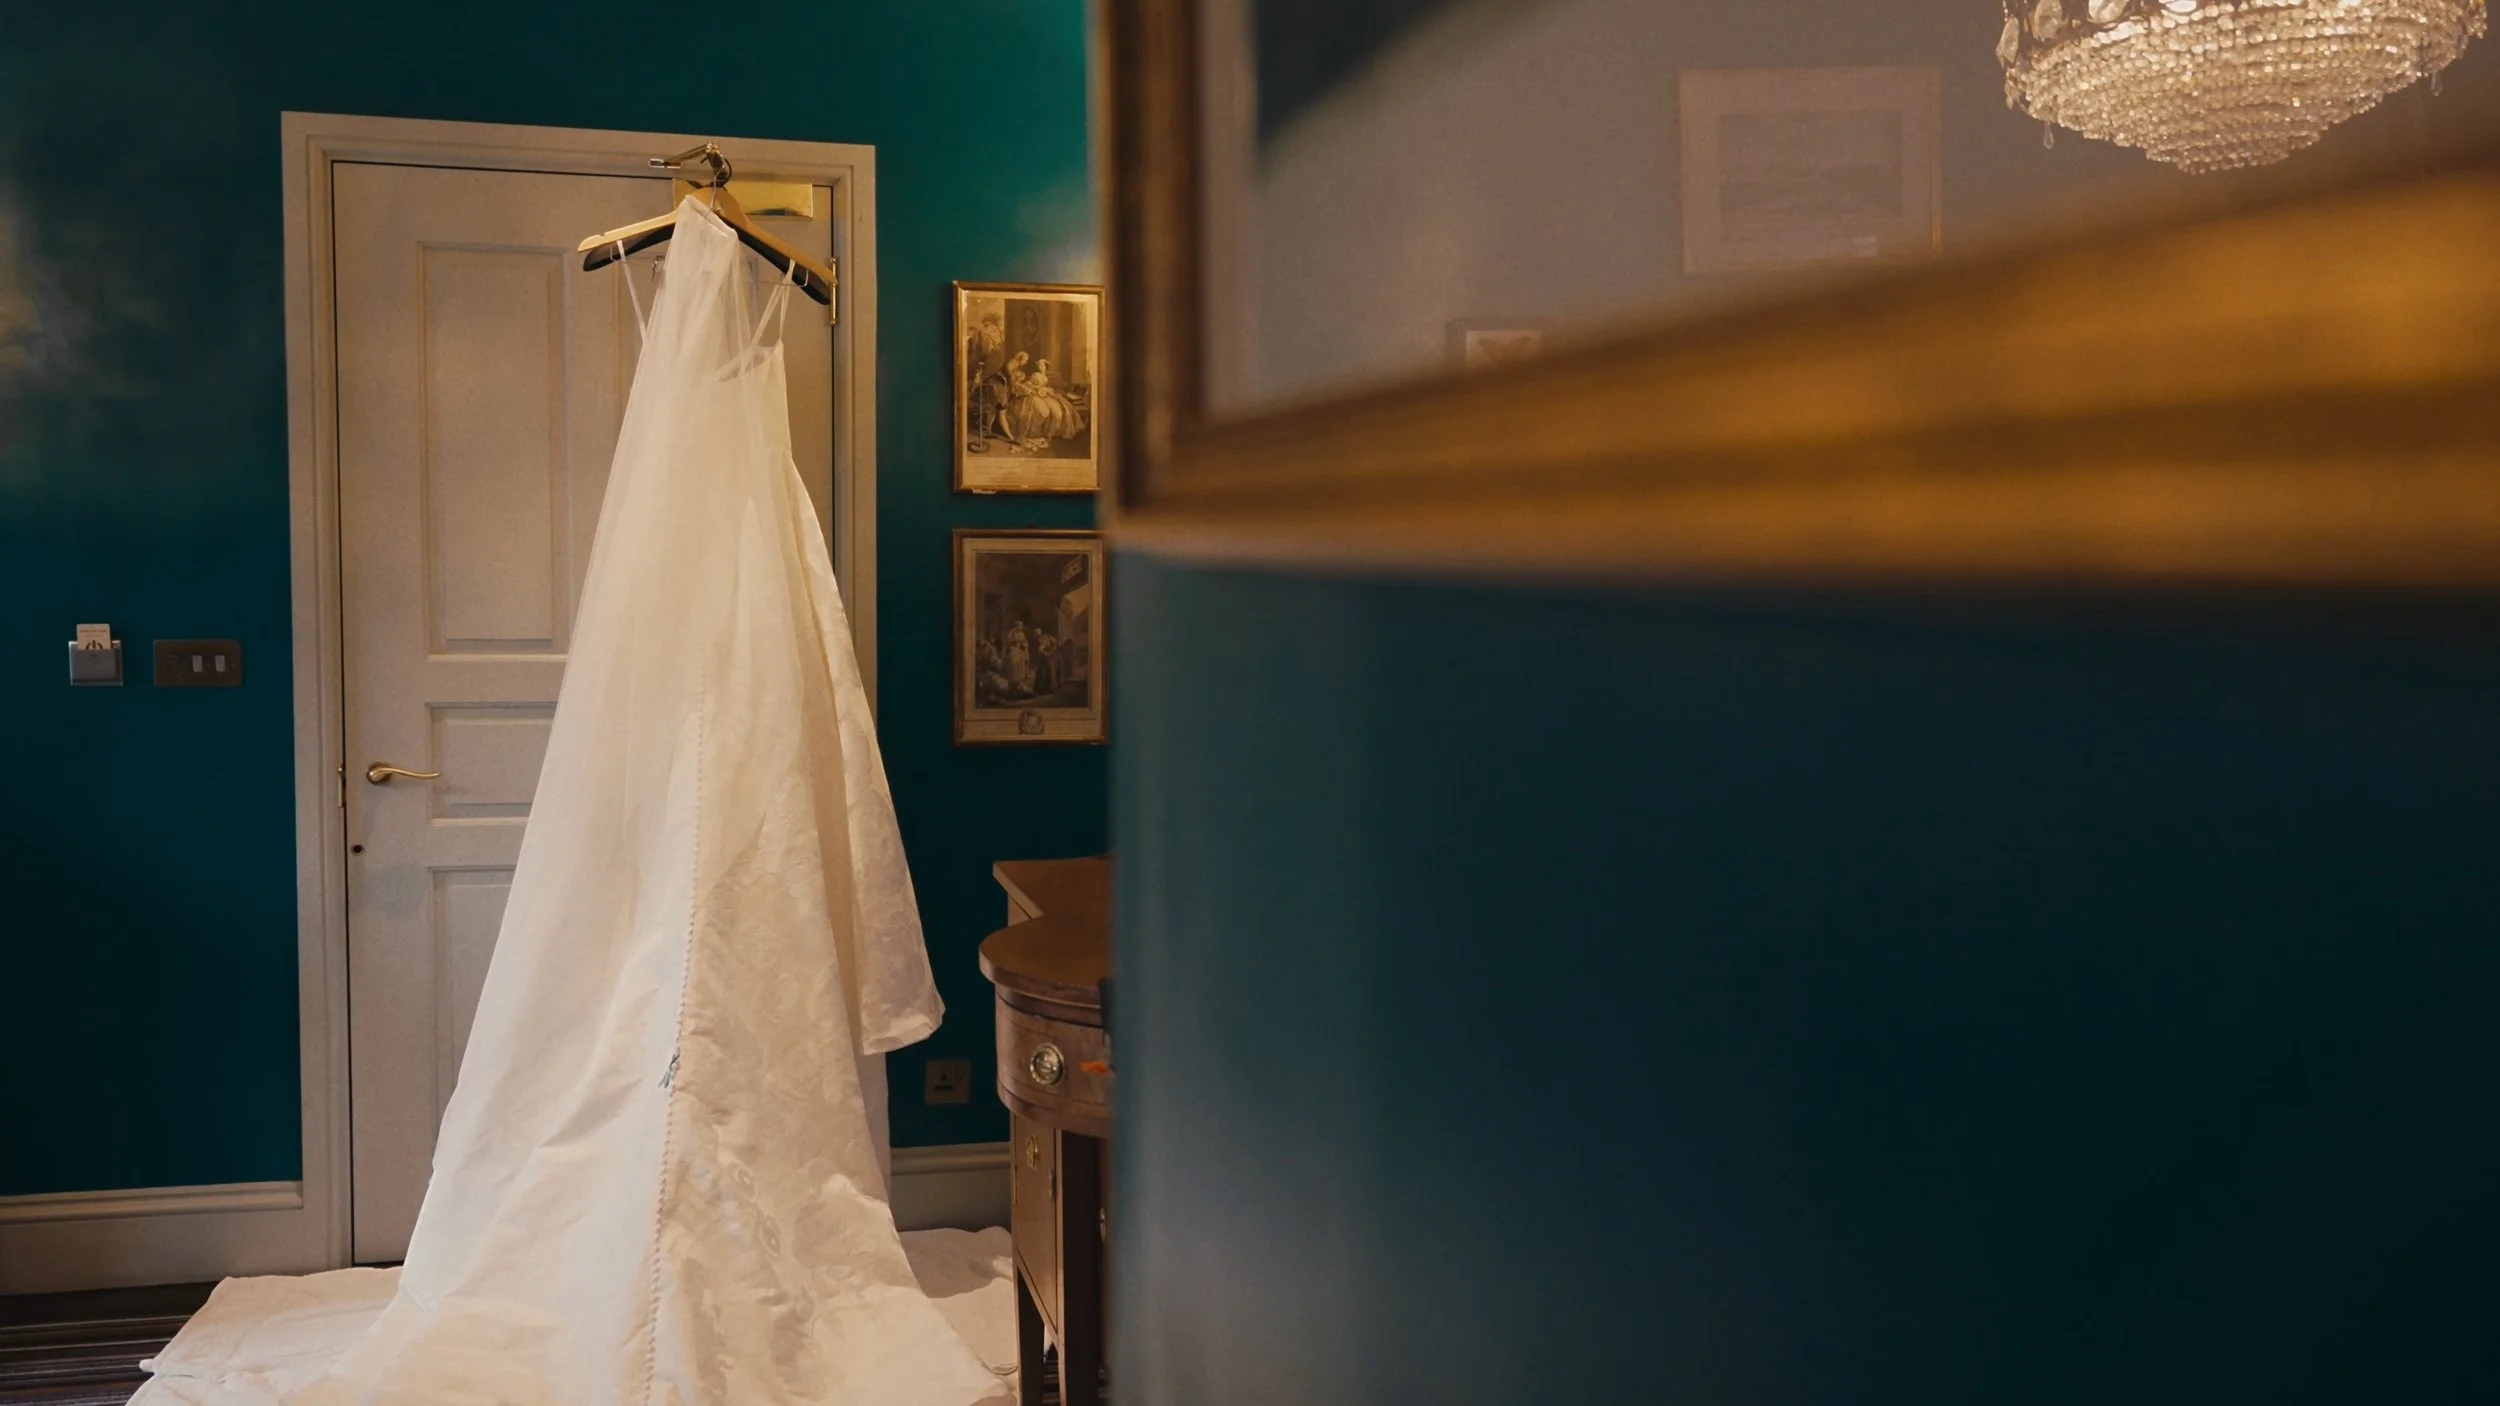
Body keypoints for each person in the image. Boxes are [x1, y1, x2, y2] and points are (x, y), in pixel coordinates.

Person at [1004, 356, 1085, 449]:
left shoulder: (1045, 377)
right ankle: (1037, 432)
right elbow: (1028, 384)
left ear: (1046, 367)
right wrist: (1037, 389)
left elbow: (1047, 386)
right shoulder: (1035, 375)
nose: (1040, 367)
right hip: (1035, 395)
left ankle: (1053, 432)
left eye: (1042, 366)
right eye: (1039, 366)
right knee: (1041, 411)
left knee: (1059, 409)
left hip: (1044, 395)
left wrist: (1047, 390)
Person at [1006, 621, 1033, 696]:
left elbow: (1025, 643)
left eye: (1021, 626)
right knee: (1013, 663)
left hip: (1021, 652)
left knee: (1021, 665)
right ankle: (1013, 684)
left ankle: (1020, 684)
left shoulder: (1022, 634)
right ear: (1016, 626)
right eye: (1018, 626)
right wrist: (1013, 643)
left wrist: (1023, 645)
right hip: (1014, 650)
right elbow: (1008, 641)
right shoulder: (1012, 633)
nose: (1019, 627)